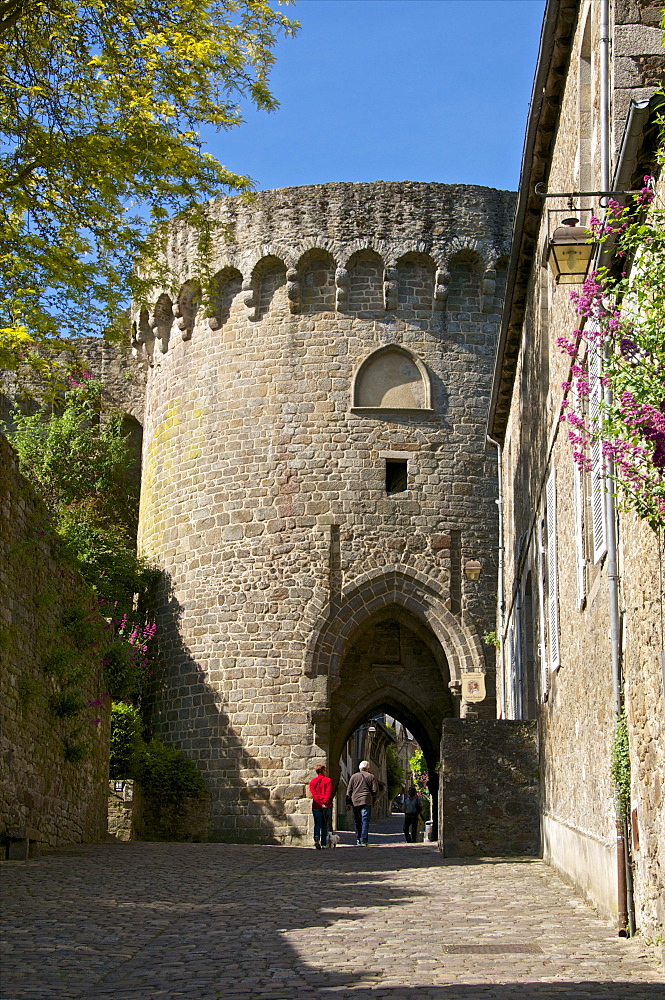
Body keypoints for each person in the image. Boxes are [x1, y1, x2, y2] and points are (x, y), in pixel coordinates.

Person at [345, 760, 379, 846]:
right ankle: (364, 840)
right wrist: (371, 796)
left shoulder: (353, 777)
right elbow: (375, 791)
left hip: (355, 801)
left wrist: (348, 802)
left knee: (357, 820)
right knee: (365, 820)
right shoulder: (371, 777)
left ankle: (358, 839)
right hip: (366, 800)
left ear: (359, 768)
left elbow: (349, 791)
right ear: (368, 768)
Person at [309, 764, 333, 849]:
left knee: (317, 824)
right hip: (326, 806)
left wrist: (319, 801)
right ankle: (323, 843)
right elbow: (329, 793)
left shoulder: (312, 782)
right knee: (325, 824)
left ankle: (316, 836)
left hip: (316, 805)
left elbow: (314, 793)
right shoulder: (328, 780)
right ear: (323, 771)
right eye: (325, 770)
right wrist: (325, 802)